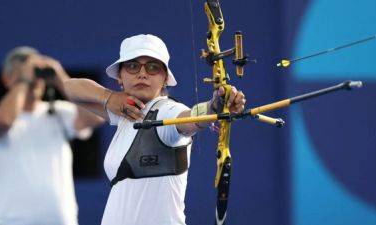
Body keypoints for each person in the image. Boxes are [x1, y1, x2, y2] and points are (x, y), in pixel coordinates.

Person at [64, 34, 246, 225]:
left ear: (165, 78)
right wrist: (110, 98)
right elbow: (68, 88)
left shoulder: (165, 112)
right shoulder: (125, 114)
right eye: (133, 66)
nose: (142, 74)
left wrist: (215, 106)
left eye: (152, 67)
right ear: (120, 76)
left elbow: (190, 118)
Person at [0, 47, 104, 225]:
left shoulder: (58, 112)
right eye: (23, 73)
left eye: (36, 74)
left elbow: (96, 118)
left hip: (60, 221)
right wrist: (24, 81)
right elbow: (4, 122)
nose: (34, 79)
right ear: (7, 79)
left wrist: (59, 77)